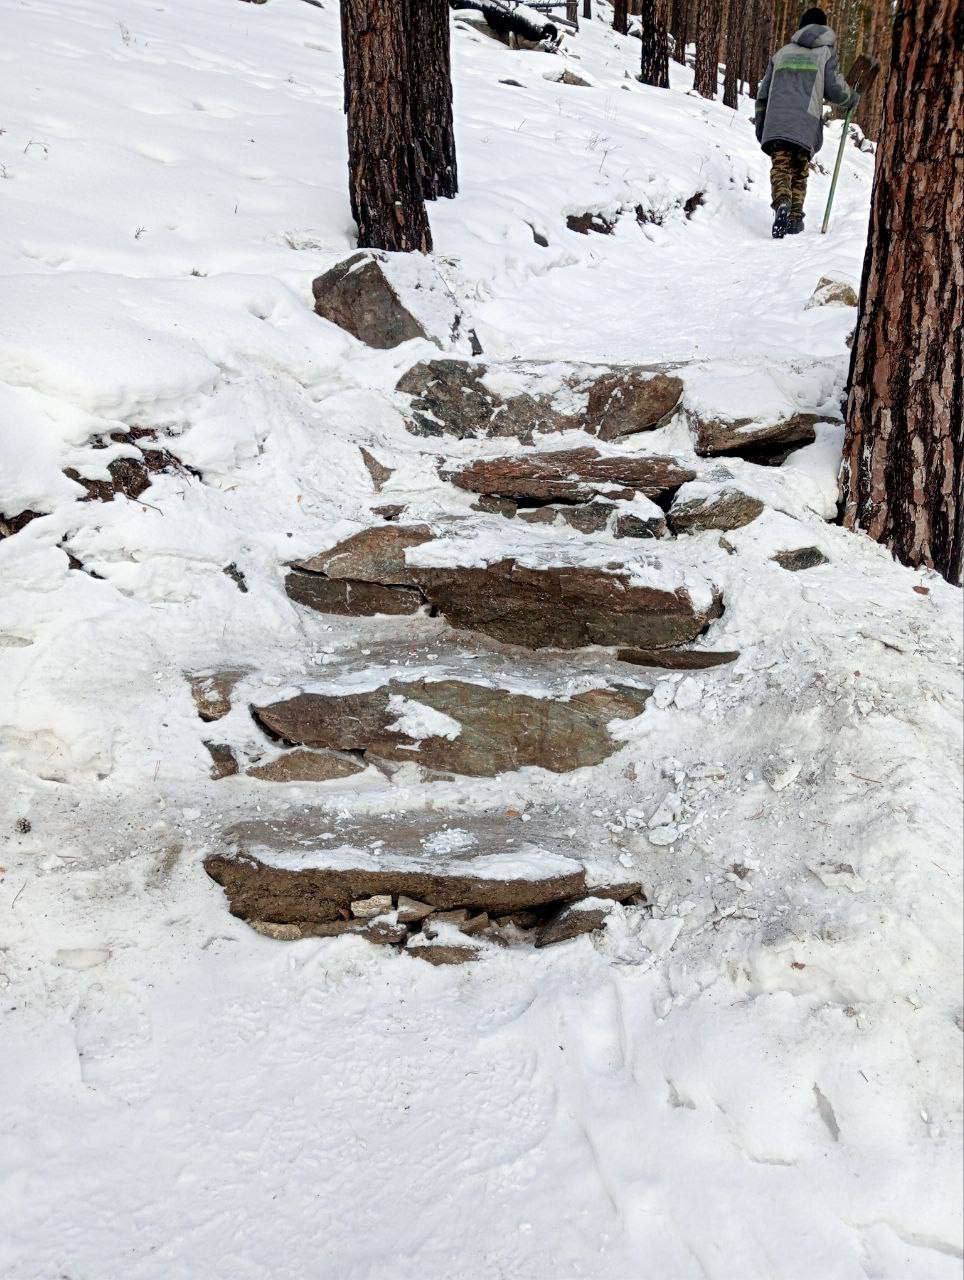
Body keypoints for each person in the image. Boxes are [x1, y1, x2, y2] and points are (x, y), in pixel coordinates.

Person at [755, 7, 859, 238]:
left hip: (777, 119)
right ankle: (794, 219)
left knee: (781, 165)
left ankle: (782, 202)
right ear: (823, 27)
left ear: (801, 27)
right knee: (800, 171)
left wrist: (761, 122)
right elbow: (835, 90)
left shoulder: (781, 53)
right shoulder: (826, 53)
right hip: (806, 121)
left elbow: (763, 92)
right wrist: (852, 97)